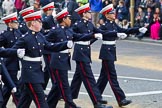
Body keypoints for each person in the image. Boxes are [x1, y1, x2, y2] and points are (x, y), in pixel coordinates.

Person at [12, 10, 74, 108]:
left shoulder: (40, 36)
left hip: (37, 72)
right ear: (33, 23)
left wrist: (65, 44)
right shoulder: (25, 38)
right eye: (39, 21)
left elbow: (50, 46)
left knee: (24, 101)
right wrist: (18, 53)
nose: (41, 23)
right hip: (30, 74)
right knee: (41, 101)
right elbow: (12, 51)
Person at [45, 8, 103, 108]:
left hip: (64, 60)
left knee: (58, 86)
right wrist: (59, 46)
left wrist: (93, 35)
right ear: (63, 19)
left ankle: (48, 105)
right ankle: (70, 105)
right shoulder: (55, 31)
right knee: (64, 85)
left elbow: (79, 37)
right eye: (68, 18)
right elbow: (45, 43)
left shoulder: (68, 31)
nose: (70, 20)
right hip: (58, 60)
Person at [97, 4, 147, 107]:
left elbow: (124, 31)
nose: (113, 14)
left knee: (104, 77)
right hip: (106, 53)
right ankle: (121, 99)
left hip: (110, 52)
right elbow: (105, 34)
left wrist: (138, 29)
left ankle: (96, 97)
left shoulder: (113, 24)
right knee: (112, 76)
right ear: (106, 15)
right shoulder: (104, 26)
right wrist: (116, 34)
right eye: (111, 13)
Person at [70, 3, 116, 108]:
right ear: (84, 14)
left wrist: (116, 34)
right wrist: (92, 35)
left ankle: (69, 100)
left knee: (77, 78)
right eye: (88, 12)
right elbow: (74, 36)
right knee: (89, 78)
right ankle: (97, 102)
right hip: (80, 52)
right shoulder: (78, 24)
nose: (90, 13)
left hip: (86, 52)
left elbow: (102, 32)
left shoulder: (90, 24)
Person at [0, 12, 23, 107]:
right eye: (15, 22)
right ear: (9, 24)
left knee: (8, 88)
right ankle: (20, 105)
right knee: (15, 86)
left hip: (15, 63)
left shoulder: (18, 32)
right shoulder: (5, 35)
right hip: (8, 64)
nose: (17, 23)